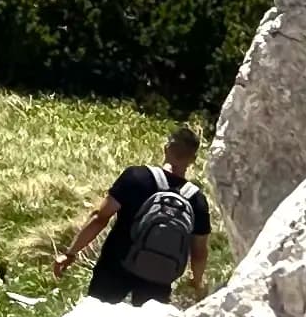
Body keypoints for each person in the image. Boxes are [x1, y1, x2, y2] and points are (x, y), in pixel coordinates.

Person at [54, 123, 212, 307]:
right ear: (193, 159)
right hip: (158, 278)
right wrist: (197, 282)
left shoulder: (136, 177)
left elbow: (100, 218)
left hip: (115, 268)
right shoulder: (197, 200)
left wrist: (70, 253)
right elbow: (199, 253)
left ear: (166, 148)